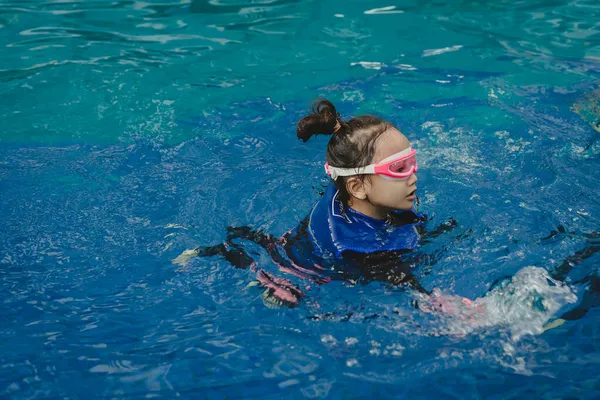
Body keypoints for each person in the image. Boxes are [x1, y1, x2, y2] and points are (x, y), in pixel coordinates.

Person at [177, 99, 461, 308]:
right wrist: (438, 304)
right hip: (309, 271)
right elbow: (400, 280)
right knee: (290, 293)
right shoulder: (355, 246)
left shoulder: (352, 189)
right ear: (357, 187)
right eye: (399, 169)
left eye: (412, 162)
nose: (413, 176)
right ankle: (253, 272)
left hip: (297, 240)